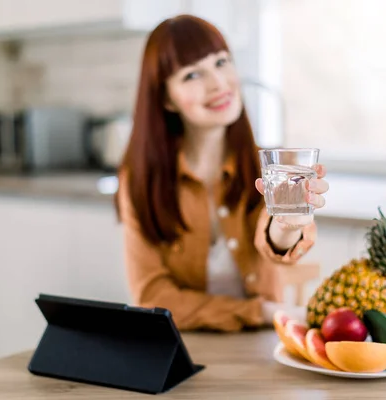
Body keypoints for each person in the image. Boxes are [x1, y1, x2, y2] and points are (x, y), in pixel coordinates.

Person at [115, 14, 329, 332]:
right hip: (183, 347)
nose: (218, 83)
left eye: (221, 62)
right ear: (166, 99)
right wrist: (258, 312)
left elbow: (272, 244)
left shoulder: (266, 169)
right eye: (191, 75)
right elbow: (151, 297)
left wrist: (287, 226)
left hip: (263, 347)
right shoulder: (139, 180)